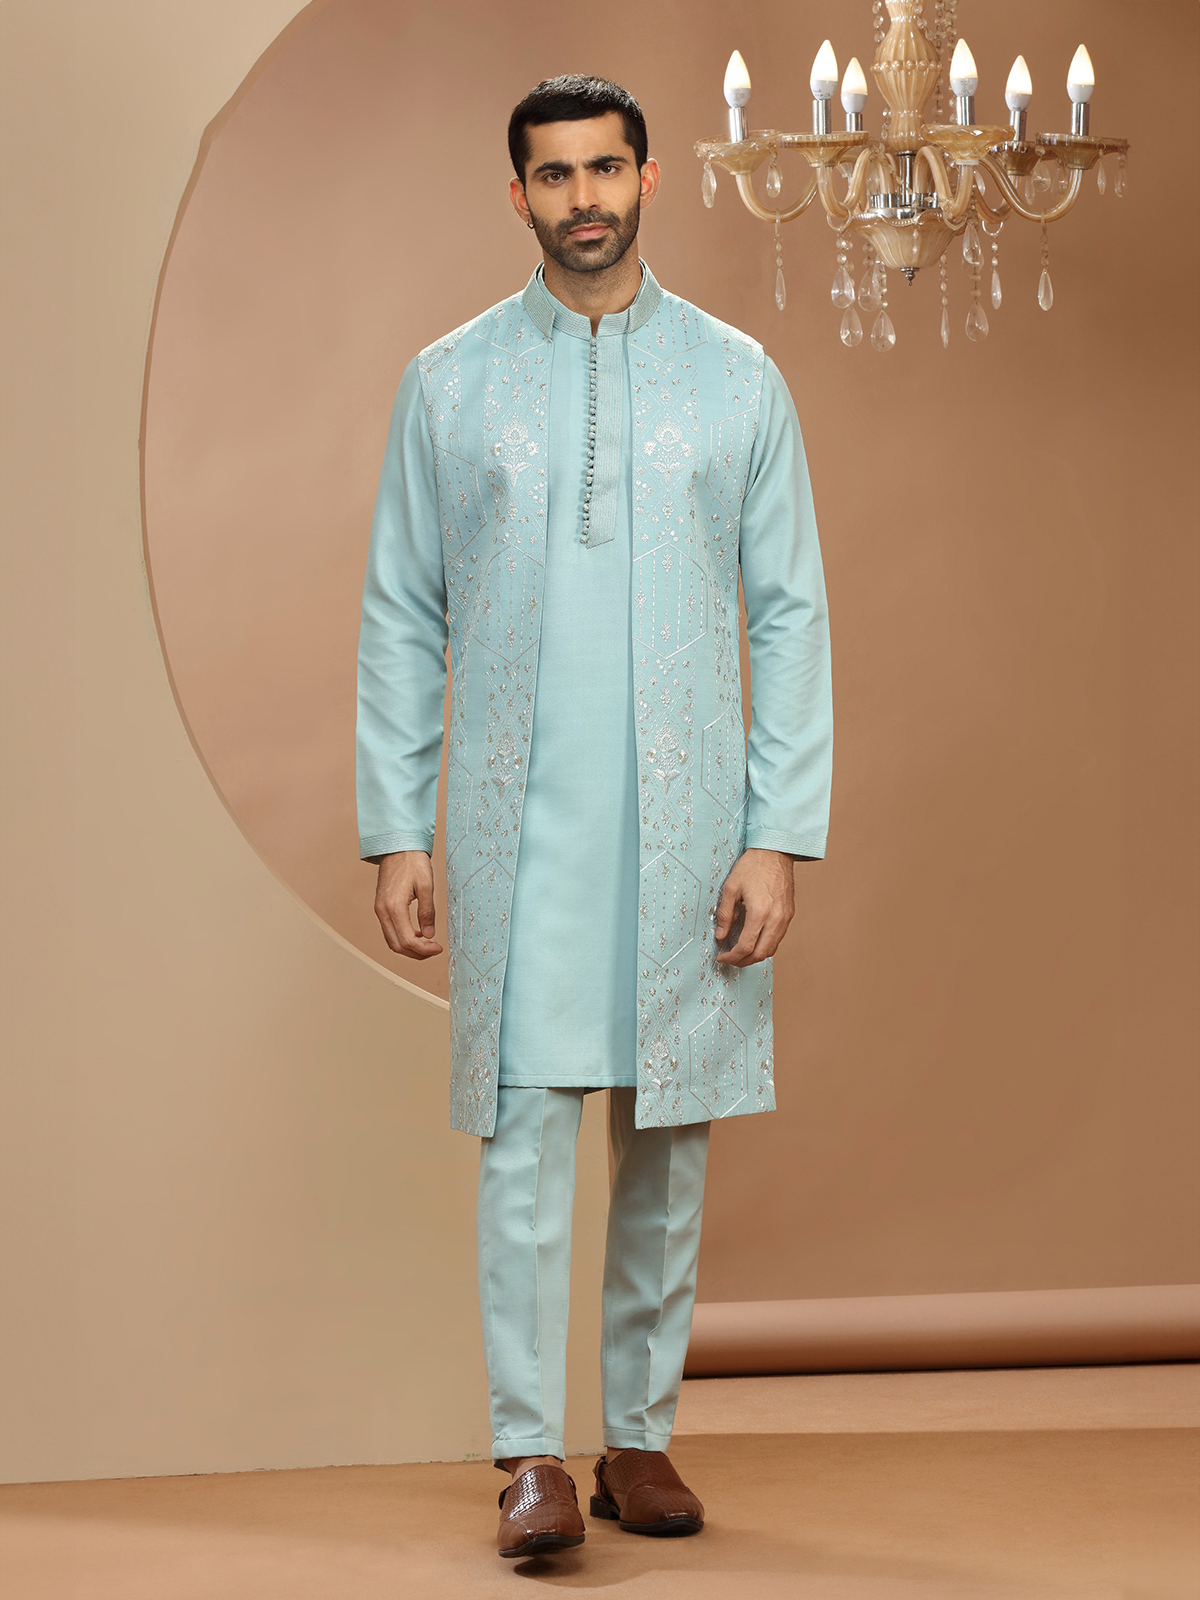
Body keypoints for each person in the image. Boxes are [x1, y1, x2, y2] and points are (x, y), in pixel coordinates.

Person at [356, 74, 833, 1561]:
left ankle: (638, 1442)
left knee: (670, 1138)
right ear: (518, 195)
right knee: (522, 1136)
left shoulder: (737, 380)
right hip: (517, 825)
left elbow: (791, 615)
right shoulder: (449, 383)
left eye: (606, 170)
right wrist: (398, 827)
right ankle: (528, 1456)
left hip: (689, 826)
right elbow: (400, 613)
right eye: (555, 176)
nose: (584, 199)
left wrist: (777, 832)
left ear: (648, 178)